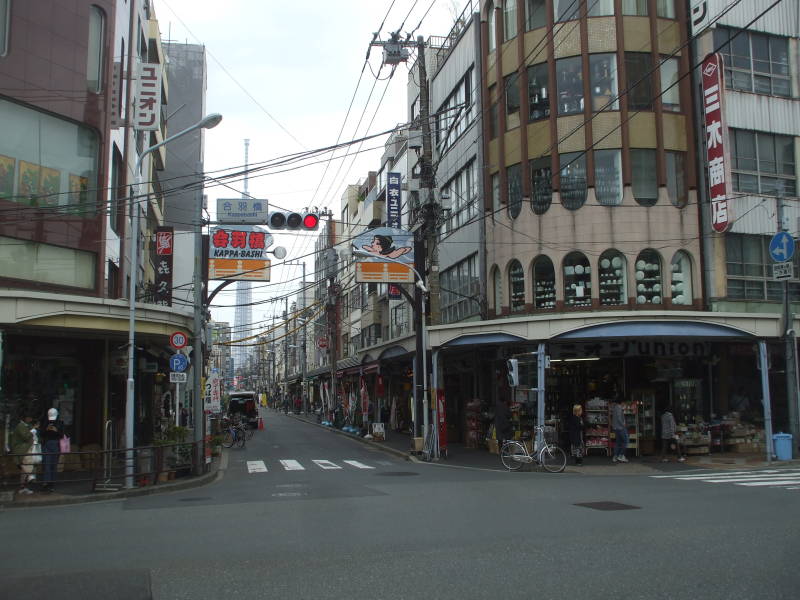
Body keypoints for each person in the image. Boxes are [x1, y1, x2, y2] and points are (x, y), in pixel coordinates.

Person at [11, 413, 35, 495]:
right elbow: (26, 437)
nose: (31, 419)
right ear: (26, 418)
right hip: (22, 450)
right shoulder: (21, 426)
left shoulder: (27, 426)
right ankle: (30, 477)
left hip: (25, 450)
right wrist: (32, 431)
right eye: (30, 417)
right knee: (26, 465)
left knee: (24, 469)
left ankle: (23, 486)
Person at [40, 408, 63, 493]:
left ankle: (51, 483)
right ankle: (46, 483)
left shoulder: (60, 423)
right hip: (47, 444)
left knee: (53, 465)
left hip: (55, 444)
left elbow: (62, 435)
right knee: (47, 464)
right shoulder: (45, 422)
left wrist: (56, 430)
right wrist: (46, 429)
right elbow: (41, 434)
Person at [611, 398, 629, 463]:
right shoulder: (619, 408)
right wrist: (623, 424)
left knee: (618, 442)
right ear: (622, 402)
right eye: (624, 403)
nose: (625, 404)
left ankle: (615, 456)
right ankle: (621, 455)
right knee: (626, 441)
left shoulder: (615, 407)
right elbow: (619, 418)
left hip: (616, 427)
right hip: (620, 427)